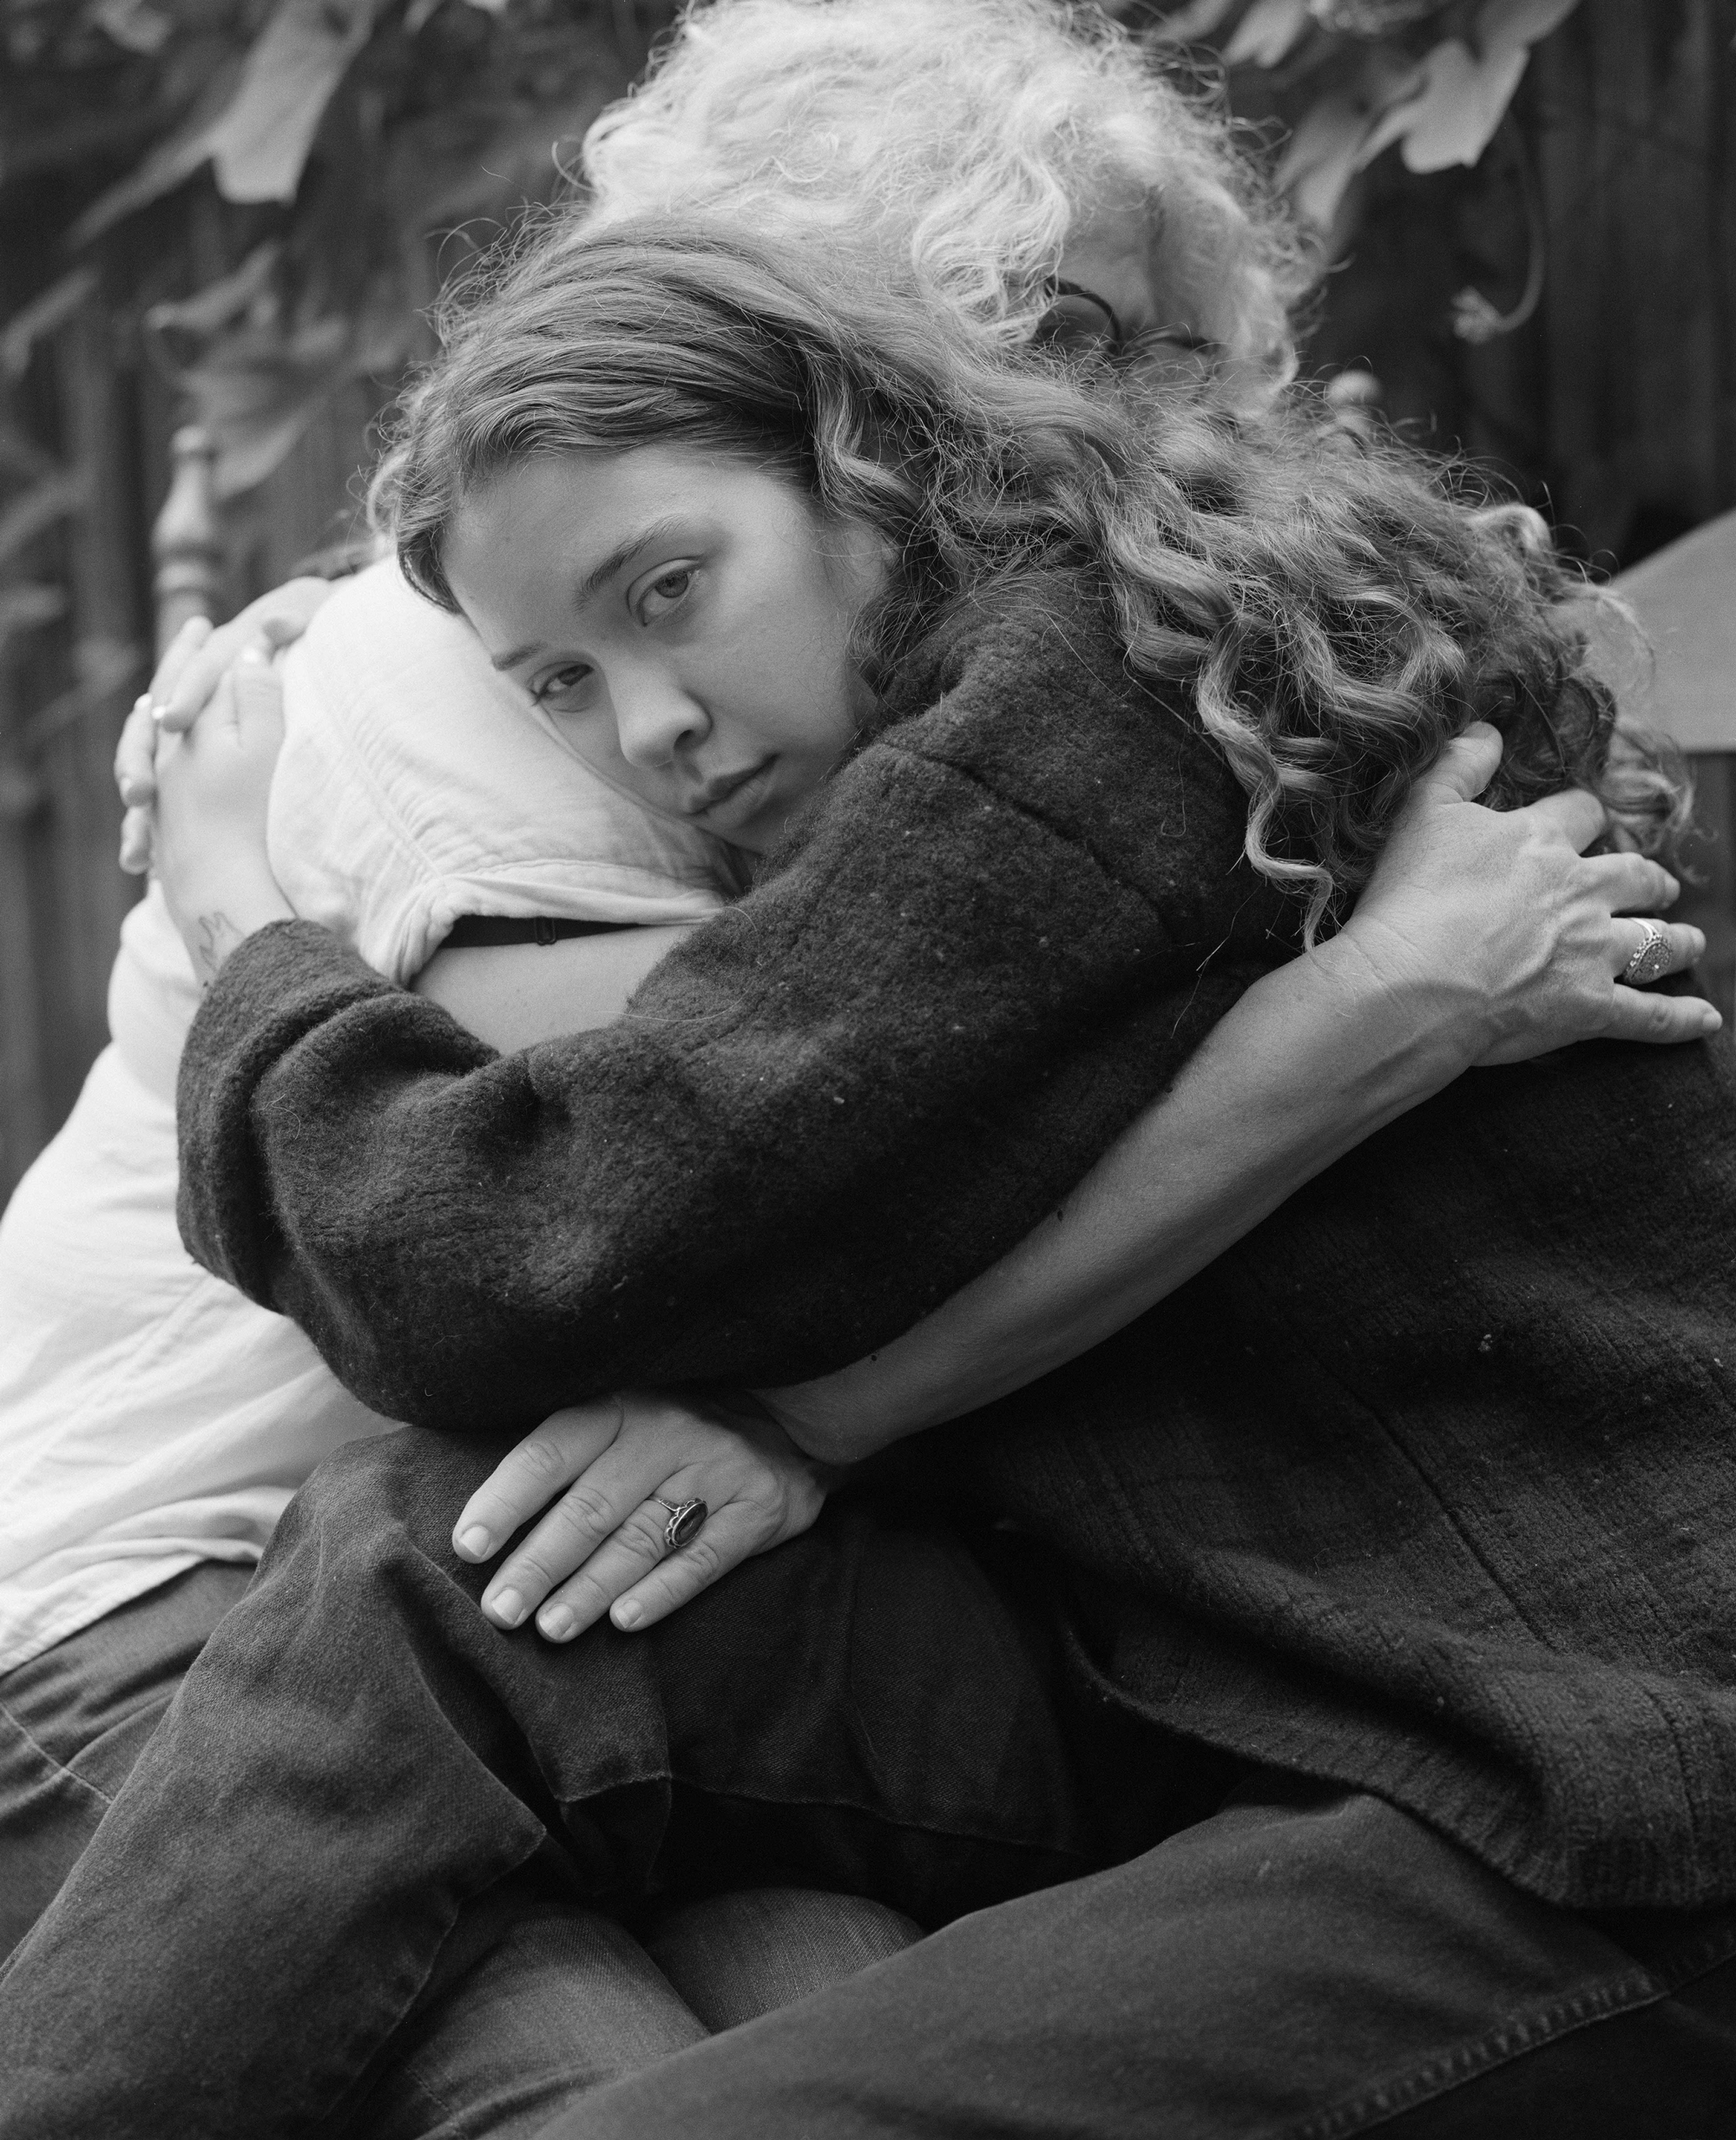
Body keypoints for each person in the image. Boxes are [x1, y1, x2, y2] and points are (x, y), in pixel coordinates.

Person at [3, 209, 1731, 2140]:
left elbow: (494, 1255)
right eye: (560, 683)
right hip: (1235, 1637)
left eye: (667, 591)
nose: (649, 727)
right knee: (445, 1560)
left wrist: (242, 912)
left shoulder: (1094, 699)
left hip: (1586, 1780)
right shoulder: (1021, 681)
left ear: (861, 458)